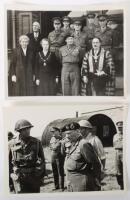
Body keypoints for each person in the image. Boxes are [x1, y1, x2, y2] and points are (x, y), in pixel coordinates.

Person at [62, 122, 101, 192]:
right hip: (71, 181)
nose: (67, 136)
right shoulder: (70, 144)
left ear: (77, 131)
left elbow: (95, 163)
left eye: (69, 133)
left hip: (82, 183)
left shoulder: (83, 144)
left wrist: (96, 179)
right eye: (66, 134)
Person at [9, 119, 45, 193]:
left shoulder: (36, 142)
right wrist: (11, 178)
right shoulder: (11, 143)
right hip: (18, 178)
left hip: (33, 177)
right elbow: (8, 163)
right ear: (19, 131)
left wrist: (39, 174)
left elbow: (42, 160)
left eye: (29, 129)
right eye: (24, 129)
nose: (28, 131)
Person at [49, 127, 64, 191]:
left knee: (60, 172)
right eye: (52, 132)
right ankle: (56, 186)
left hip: (59, 156)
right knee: (54, 171)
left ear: (58, 131)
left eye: (54, 131)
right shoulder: (52, 138)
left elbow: (54, 147)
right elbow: (51, 147)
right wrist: (55, 146)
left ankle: (61, 187)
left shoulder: (61, 138)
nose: (53, 133)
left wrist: (55, 146)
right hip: (53, 156)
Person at [113, 121, 123, 189]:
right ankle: (121, 185)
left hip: (124, 152)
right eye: (119, 127)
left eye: (121, 127)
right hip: (117, 152)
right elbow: (114, 145)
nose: (120, 128)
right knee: (118, 170)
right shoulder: (115, 136)